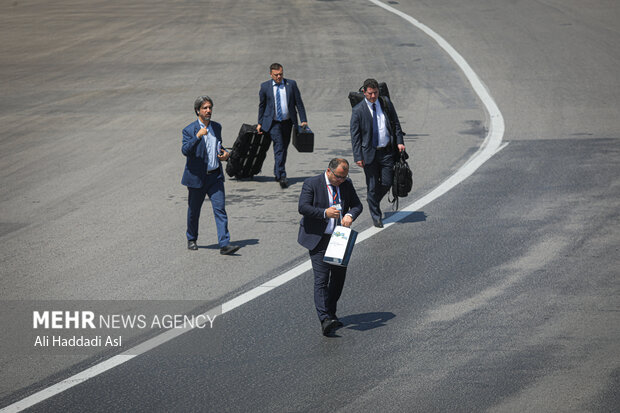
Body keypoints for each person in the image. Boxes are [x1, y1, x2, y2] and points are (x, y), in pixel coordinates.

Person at [298, 158, 363, 336]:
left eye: (344, 177)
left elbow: (357, 205)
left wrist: (350, 215)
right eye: (338, 177)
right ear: (329, 171)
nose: (341, 180)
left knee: (338, 277)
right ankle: (324, 318)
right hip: (318, 239)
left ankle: (331, 311)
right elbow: (303, 207)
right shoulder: (312, 183)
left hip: (339, 238)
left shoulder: (346, 184)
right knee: (321, 279)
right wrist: (324, 213)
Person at [181, 95, 240, 255]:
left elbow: (218, 147)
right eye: (205, 108)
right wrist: (198, 136)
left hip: (215, 177)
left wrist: (225, 155)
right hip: (197, 178)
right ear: (197, 111)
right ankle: (191, 238)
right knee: (194, 211)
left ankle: (224, 244)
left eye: (210, 107)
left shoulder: (217, 127)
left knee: (220, 209)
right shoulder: (189, 130)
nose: (208, 110)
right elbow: (185, 151)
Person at [350, 78, 406, 228]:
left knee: (388, 182)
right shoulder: (358, 111)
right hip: (369, 154)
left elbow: (395, 123)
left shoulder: (385, 103)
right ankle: (376, 216)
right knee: (373, 186)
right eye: (370, 93)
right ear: (364, 92)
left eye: (375, 93)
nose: (373, 96)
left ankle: (372, 200)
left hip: (387, 151)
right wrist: (358, 157)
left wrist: (400, 142)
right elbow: (355, 136)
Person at [257, 63, 308, 188]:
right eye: (276, 75)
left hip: (288, 122)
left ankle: (277, 171)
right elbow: (262, 106)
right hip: (273, 123)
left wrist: (303, 119)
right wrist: (259, 122)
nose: (279, 77)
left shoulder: (291, 84)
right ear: (271, 74)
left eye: (281, 74)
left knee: (284, 148)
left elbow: (299, 103)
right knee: (279, 146)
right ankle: (282, 175)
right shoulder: (265, 87)